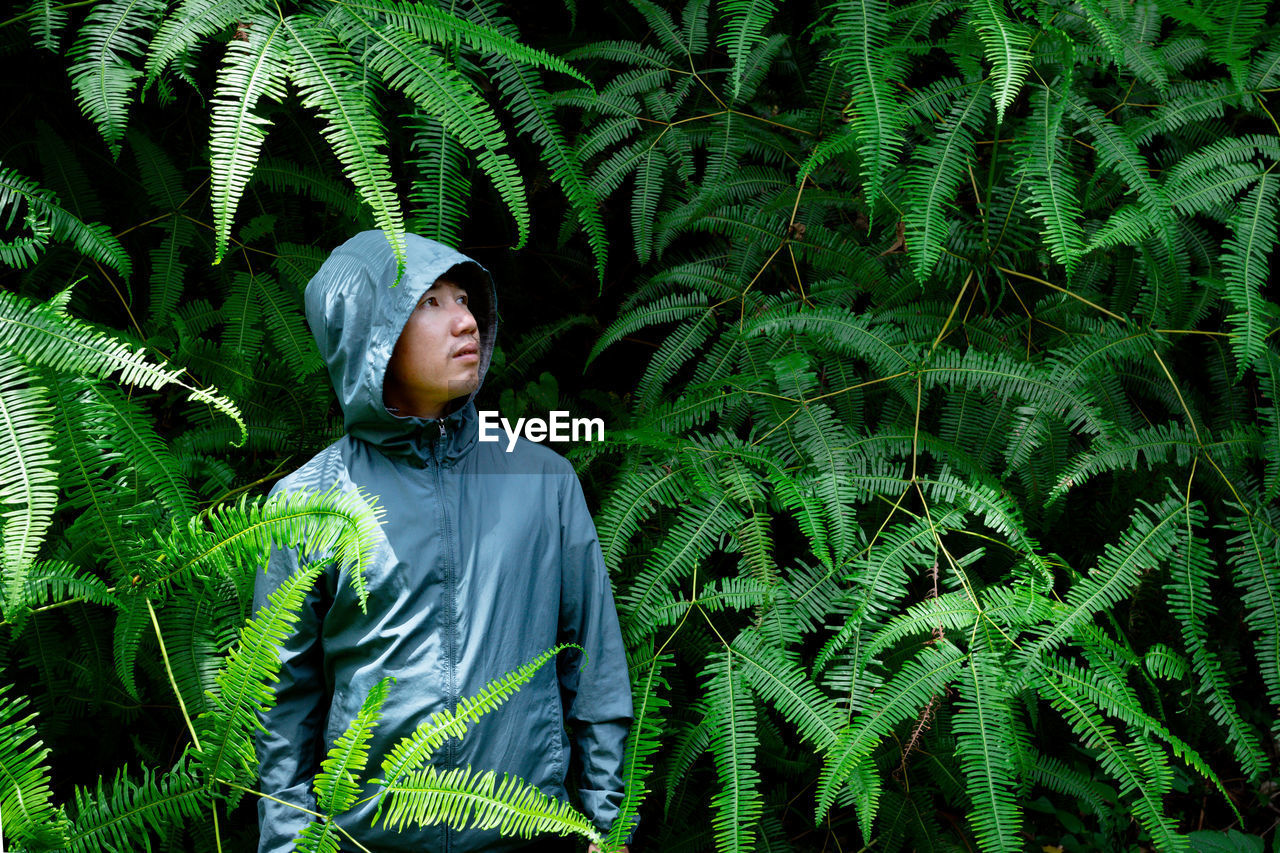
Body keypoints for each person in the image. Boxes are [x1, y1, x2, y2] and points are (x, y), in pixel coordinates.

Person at [253, 230, 633, 853]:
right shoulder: (306, 503)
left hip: (526, 840)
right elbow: (278, 709)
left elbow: (594, 669)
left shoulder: (543, 482)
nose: (464, 322)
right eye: (429, 302)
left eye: (464, 298)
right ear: (366, 332)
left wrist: (603, 826)